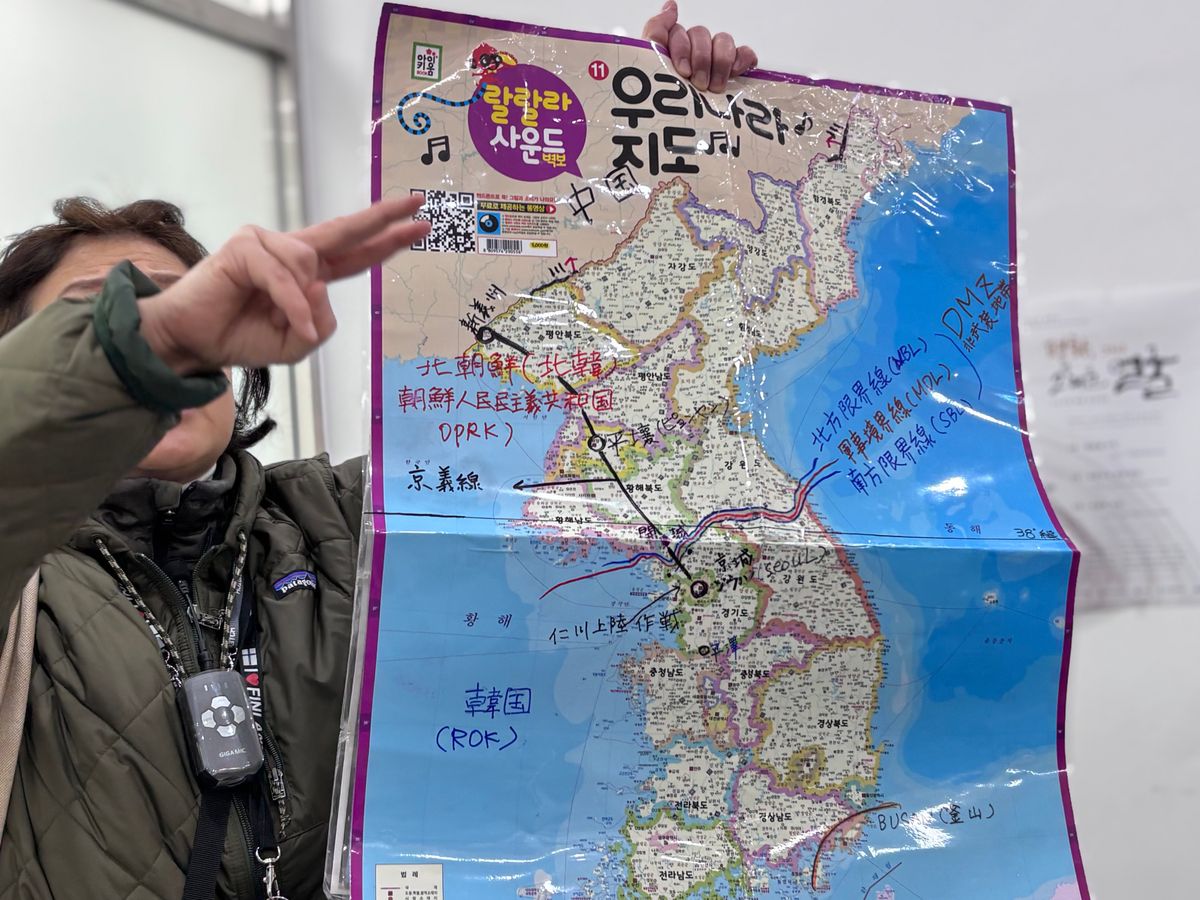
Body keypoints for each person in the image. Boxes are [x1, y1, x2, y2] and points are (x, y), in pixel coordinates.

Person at [0, 6, 756, 898]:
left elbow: (606, 446)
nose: (163, 341)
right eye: (107, 317)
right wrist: (145, 346)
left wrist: (667, 152)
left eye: (179, 309)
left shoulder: (346, 520)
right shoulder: (28, 587)